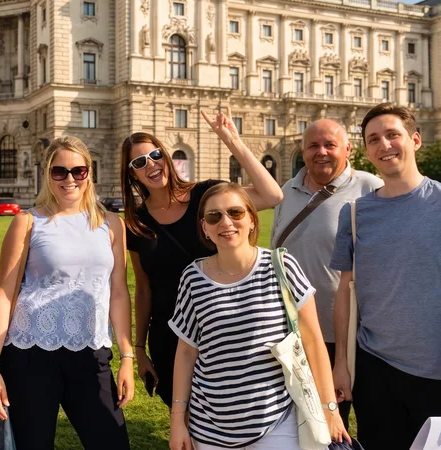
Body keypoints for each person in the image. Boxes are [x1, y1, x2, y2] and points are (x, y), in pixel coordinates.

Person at [331, 103, 441, 449]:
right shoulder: (354, 213)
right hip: (375, 373)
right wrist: (342, 365)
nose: (384, 145)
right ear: (366, 151)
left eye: (393, 135)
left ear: (415, 140)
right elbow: (345, 293)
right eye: (373, 139)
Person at [121, 107, 284, 407]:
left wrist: (232, 141)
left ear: (166, 156)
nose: (151, 165)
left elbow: (272, 195)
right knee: (182, 414)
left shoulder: (206, 196)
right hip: (169, 334)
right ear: (132, 173)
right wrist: (140, 349)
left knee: (230, 409)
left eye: (155, 155)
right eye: (140, 162)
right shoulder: (137, 222)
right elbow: (143, 289)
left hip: (222, 325)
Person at [168, 183, 350, 450]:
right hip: (208, 428)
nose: (226, 222)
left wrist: (330, 409)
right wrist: (177, 421)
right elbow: (186, 353)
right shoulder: (193, 278)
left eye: (235, 212)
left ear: (252, 220)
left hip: (276, 423)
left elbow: (313, 342)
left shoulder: (282, 267)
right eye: (214, 216)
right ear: (205, 227)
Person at [0, 136, 134, 450]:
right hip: (30, 354)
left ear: (89, 173)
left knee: (112, 443)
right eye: (59, 171)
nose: (69, 179)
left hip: (91, 352)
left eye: (78, 171)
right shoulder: (27, 222)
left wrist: (127, 356)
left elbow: (118, 292)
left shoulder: (113, 225)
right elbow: (4, 294)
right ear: (47, 174)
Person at [271, 119, 383, 427]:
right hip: (293, 330)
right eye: (313, 146)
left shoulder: (370, 188)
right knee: (303, 423)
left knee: (345, 421)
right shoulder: (287, 190)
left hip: (348, 335)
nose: (321, 152)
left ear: (348, 149)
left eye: (330, 145)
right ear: (303, 151)